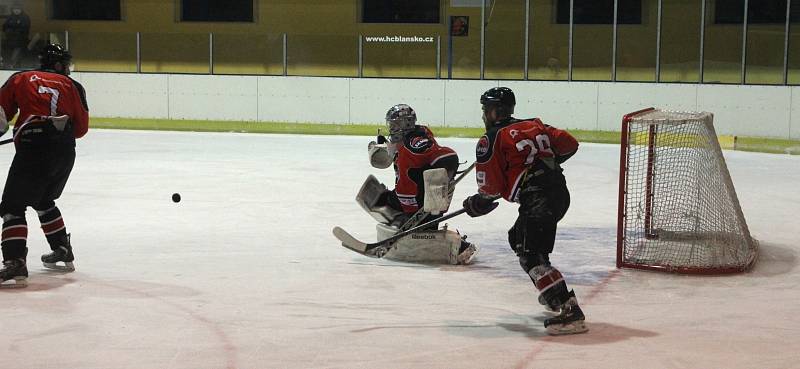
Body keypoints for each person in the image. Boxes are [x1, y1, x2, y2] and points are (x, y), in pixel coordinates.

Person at [461, 87, 586, 335]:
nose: (485, 115)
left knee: (531, 256)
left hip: (538, 199)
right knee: (517, 237)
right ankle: (552, 293)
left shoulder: (492, 138)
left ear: (495, 111)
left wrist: (478, 202)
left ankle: (569, 310)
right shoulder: (535, 124)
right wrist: (544, 163)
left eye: (486, 110)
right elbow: (570, 144)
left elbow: (491, 187)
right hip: (559, 194)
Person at [0, 44, 89, 288]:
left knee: (12, 206)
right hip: (64, 152)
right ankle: (62, 249)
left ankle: (15, 262)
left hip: (34, 149)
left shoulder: (21, 78)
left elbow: (1, 113)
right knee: (43, 200)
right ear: (59, 65)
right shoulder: (74, 86)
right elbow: (80, 129)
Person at [364, 103, 476, 264]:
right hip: (429, 199)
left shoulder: (408, 150)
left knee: (372, 196)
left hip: (416, 203)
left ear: (404, 125)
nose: (391, 128)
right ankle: (422, 223)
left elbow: (406, 186)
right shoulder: (421, 133)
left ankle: (403, 222)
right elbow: (440, 156)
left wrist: (409, 213)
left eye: (394, 124)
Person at [2, 4, 30, 68]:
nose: (16, 11)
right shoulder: (10, 17)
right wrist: (9, 30)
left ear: (21, 10)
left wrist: (13, 30)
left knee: (17, 52)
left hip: (20, 39)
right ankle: (16, 65)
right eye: (15, 9)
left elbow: (25, 28)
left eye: (18, 9)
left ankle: (12, 64)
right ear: (12, 10)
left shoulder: (25, 17)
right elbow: (4, 26)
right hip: (10, 39)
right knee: (12, 53)